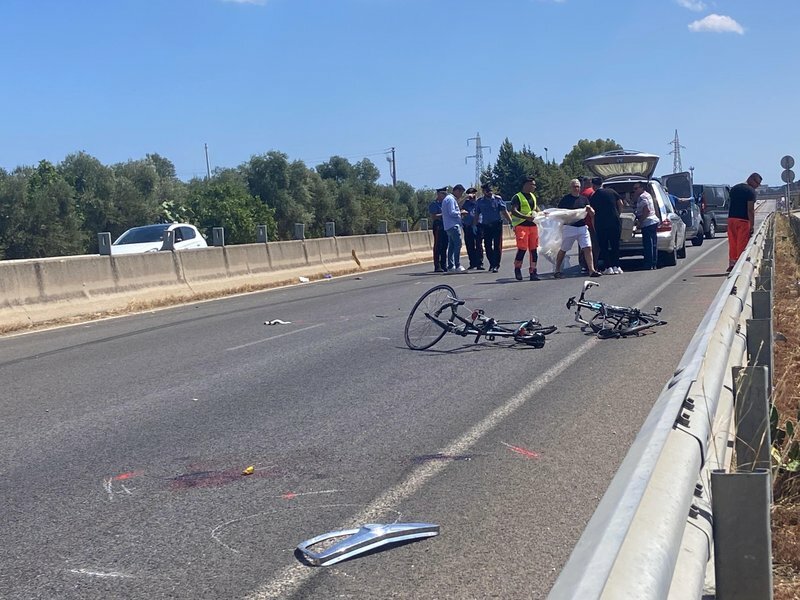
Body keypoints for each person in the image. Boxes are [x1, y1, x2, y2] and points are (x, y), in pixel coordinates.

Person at [553, 179, 602, 278]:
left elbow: (592, 213)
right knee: (563, 249)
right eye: (574, 186)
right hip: (569, 227)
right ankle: (557, 269)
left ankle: (591, 270)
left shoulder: (584, 199)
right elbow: (559, 213)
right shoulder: (565, 199)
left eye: (578, 186)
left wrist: (590, 210)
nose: (576, 188)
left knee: (588, 248)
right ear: (570, 188)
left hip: (582, 227)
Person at [727, 172, 761, 272]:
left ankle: (732, 264)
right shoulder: (751, 192)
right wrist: (752, 225)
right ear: (751, 179)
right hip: (743, 221)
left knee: (733, 242)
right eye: (757, 183)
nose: (757, 186)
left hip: (731, 219)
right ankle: (740, 265)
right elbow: (750, 210)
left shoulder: (734, 188)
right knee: (742, 244)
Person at [590, 176, 624, 274]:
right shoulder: (612, 192)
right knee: (615, 245)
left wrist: (594, 225)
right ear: (602, 184)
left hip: (601, 224)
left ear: (593, 185)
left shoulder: (594, 196)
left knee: (604, 246)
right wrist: (618, 214)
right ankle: (617, 266)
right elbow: (621, 203)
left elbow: (592, 213)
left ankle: (608, 267)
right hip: (614, 222)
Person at [509, 176, 541, 281]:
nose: (534, 187)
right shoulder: (517, 197)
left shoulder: (533, 196)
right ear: (526, 185)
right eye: (532, 185)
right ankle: (517, 268)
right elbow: (513, 210)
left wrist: (541, 214)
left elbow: (535, 208)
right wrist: (526, 217)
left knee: (534, 249)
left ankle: (533, 271)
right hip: (521, 225)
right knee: (522, 248)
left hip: (533, 226)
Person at [476, 183, 512, 273]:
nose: (490, 193)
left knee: (497, 245)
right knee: (487, 245)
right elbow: (477, 214)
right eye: (487, 191)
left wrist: (511, 222)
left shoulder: (497, 199)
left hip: (496, 225)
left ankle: (496, 265)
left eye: (491, 191)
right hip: (486, 226)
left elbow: (504, 211)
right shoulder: (480, 201)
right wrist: (475, 225)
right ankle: (492, 263)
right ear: (484, 191)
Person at [632, 181, 660, 270]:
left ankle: (648, 264)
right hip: (653, 221)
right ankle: (654, 263)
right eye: (634, 189)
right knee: (653, 244)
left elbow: (646, 210)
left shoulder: (642, 197)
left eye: (636, 188)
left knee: (648, 244)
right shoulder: (647, 195)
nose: (635, 190)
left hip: (647, 222)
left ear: (642, 188)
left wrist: (640, 222)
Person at [442, 184, 467, 272]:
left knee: (452, 246)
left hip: (449, 226)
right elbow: (452, 212)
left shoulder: (448, 199)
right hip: (453, 225)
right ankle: (457, 265)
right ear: (457, 191)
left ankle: (451, 266)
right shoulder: (451, 199)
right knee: (457, 245)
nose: (461, 195)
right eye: (461, 193)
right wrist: (461, 212)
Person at [461, 187, 484, 270]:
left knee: (478, 244)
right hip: (468, 226)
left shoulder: (479, 202)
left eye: (473, 194)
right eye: (470, 194)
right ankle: (472, 263)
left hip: (478, 225)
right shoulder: (466, 203)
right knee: (469, 245)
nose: (472, 196)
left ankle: (479, 263)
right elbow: (458, 206)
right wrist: (465, 198)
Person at [578, 177, 597, 273]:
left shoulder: (581, 194)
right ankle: (592, 266)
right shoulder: (591, 192)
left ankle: (584, 265)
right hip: (590, 223)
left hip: (581, 223)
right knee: (592, 246)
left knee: (583, 246)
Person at [428, 187, 449, 272]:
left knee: (445, 245)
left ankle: (444, 264)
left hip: (446, 225)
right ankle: (437, 265)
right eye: (443, 194)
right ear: (438, 194)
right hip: (438, 225)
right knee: (438, 245)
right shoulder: (434, 204)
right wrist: (443, 214)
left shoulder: (446, 203)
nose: (444, 195)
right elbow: (434, 216)